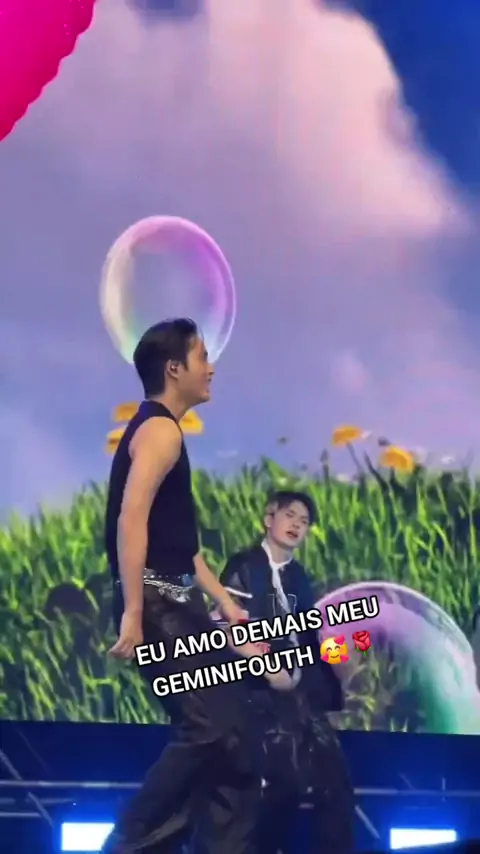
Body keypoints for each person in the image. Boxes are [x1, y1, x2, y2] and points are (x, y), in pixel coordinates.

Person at [102, 318, 261, 854]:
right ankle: (127, 843)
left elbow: (180, 544)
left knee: (235, 742)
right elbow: (130, 519)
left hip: (175, 603)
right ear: (175, 369)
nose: (210, 368)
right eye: (202, 357)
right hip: (157, 607)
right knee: (209, 729)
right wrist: (132, 611)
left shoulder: (165, 430)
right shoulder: (160, 431)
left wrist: (224, 603)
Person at [219, 490, 356, 854]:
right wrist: (268, 669)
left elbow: (311, 635)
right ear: (269, 519)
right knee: (283, 785)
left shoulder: (298, 576)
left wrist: (338, 662)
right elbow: (225, 629)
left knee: (336, 784)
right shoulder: (244, 566)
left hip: (300, 693)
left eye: (304, 521)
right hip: (257, 693)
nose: (297, 525)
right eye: (290, 515)